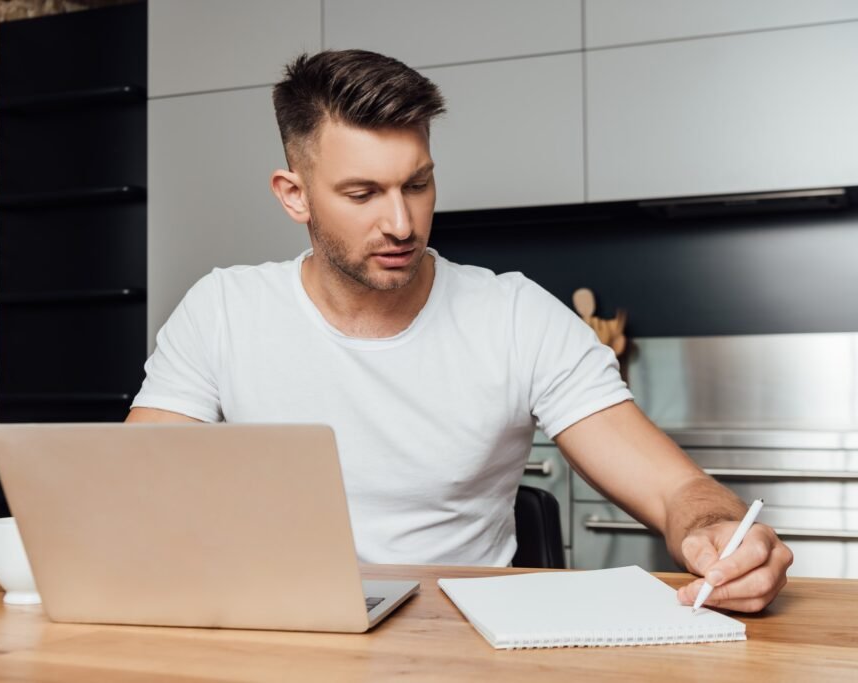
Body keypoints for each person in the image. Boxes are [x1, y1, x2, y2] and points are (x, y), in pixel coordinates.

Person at [127, 49, 792, 612]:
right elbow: (137, 492)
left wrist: (715, 528)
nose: (401, 223)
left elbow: (675, 489)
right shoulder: (222, 309)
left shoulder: (515, 316)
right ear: (292, 193)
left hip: (466, 644)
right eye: (362, 194)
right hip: (280, 635)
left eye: (417, 184)